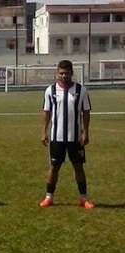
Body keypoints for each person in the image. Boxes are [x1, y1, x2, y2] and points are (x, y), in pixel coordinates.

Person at [40, 60, 94, 209]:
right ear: (57, 73)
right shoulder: (50, 90)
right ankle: (49, 197)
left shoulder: (81, 90)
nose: (64, 76)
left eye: (66, 73)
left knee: (78, 167)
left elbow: (86, 112)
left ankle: (83, 198)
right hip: (57, 138)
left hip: (75, 138)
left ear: (72, 73)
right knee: (54, 167)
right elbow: (46, 112)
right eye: (61, 73)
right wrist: (43, 132)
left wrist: (86, 132)